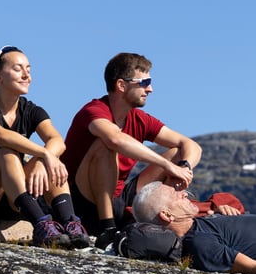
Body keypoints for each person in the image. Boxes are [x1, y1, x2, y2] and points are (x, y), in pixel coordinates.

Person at [0, 45, 90, 248]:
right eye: (18, 69)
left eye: (28, 69)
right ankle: (42, 225)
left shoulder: (31, 110)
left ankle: (71, 225)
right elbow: (0, 135)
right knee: (7, 155)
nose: (26, 75)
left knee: (52, 160)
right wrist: (42, 154)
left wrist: (42, 160)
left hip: (13, 198)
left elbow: (57, 140)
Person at [62, 52, 202, 248]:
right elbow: (115, 138)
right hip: (84, 200)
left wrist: (183, 166)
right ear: (121, 85)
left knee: (176, 153)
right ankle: (107, 229)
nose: (150, 89)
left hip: (119, 198)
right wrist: (165, 165)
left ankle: (164, 223)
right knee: (105, 145)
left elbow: (190, 144)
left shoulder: (139, 118)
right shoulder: (94, 111)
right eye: (144, 83)